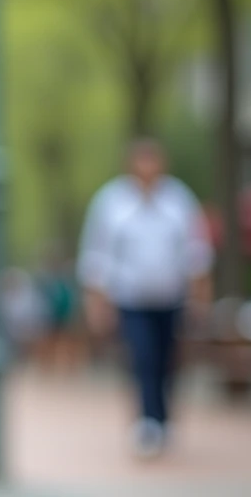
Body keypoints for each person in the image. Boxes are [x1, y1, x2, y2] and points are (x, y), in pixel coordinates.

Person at [77, 138, 213, 458]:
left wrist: (200, 296)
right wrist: (96, 302)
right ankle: (148, 421)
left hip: (170, 298)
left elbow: (196, 252)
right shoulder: (111, 202)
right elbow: (98, 256)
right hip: (131, 299)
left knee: (168, 359)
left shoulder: (179, 200)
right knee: (142, 357)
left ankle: (163, 417)